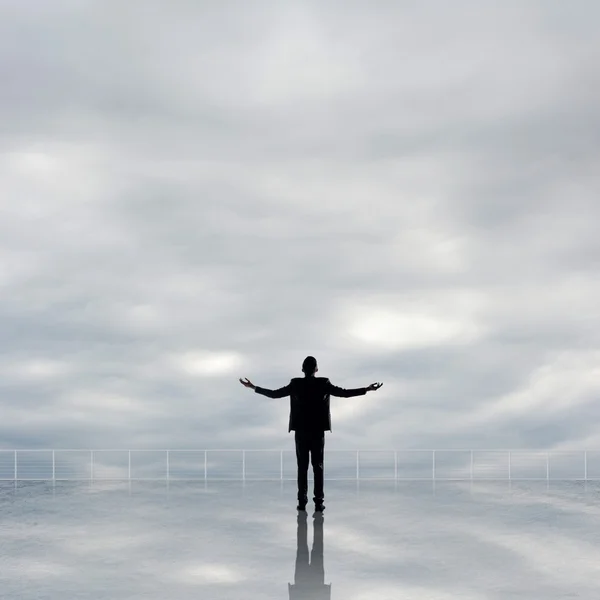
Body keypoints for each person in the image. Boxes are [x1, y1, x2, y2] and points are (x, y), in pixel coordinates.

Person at [239, 356, 383, 514]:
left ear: (302, 369)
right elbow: (344, 393)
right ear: (316, 369)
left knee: (302, 467)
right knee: (318, 467)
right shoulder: (323, 383)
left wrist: (253, 387)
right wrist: (367, 389)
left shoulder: (295, 384)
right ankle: (318, 503)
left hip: (301, 431)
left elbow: (274, 394)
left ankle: (302, 502)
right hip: (317, 431)